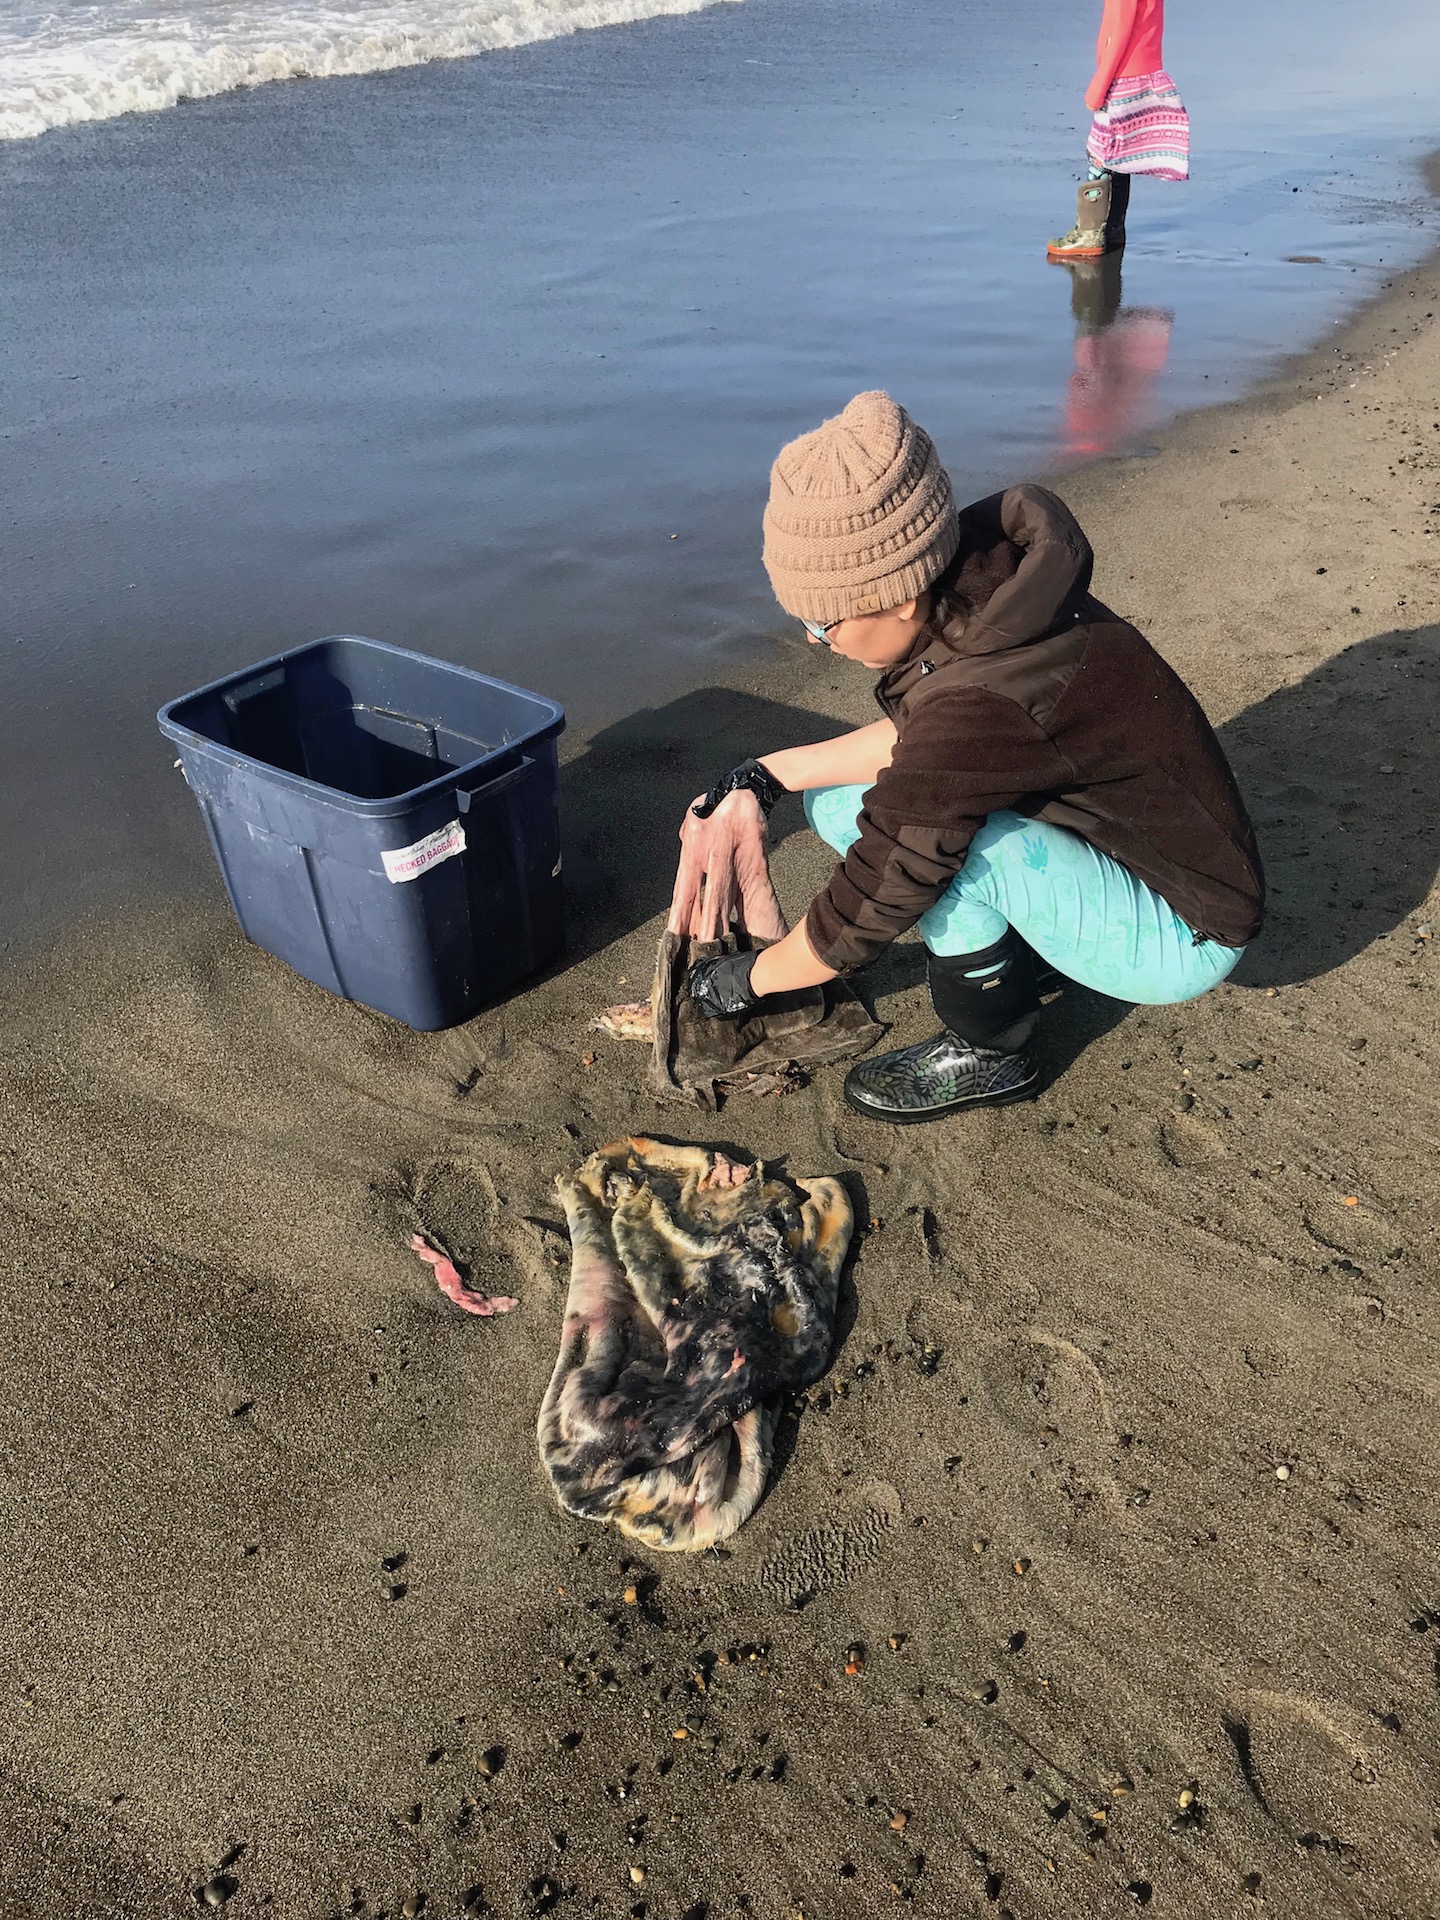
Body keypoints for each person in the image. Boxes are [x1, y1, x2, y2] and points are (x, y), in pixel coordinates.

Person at [684, 391, 1263, 1124]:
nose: (812, 641)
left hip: (1183, 931)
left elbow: (877, 893)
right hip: (1134, 846)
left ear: (896, 598)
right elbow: (936, 745)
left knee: (938, 855)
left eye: (821, 621)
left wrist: (747, 981)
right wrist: (766, 774)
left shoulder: (985, 694)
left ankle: (991, 1048)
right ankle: (1027, 948)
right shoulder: (991, 584)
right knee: (834, 800)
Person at [1047, 0, 1189, 262]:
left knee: (1099, 154)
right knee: (1118, 155)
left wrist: (1098, 86)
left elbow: (1120, 33)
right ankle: (1113, 228)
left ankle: (1090, 233)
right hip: (1142, 71)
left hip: (1121, 76)